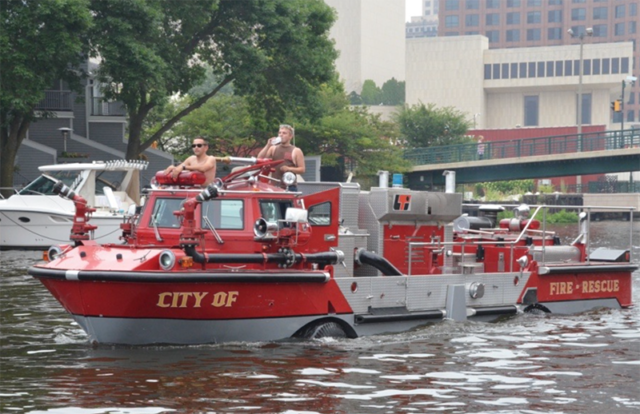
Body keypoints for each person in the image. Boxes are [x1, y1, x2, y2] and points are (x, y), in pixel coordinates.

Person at [257, 124, 305, 190]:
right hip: (273, 186)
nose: (281, 135)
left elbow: (302, 169)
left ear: (290, 136)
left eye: (284, 133)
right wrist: (268, 145)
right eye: (279, 132)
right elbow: (259, 159)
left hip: (289, 186)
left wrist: (289, 168)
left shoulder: (296, 150)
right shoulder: (273, 148)